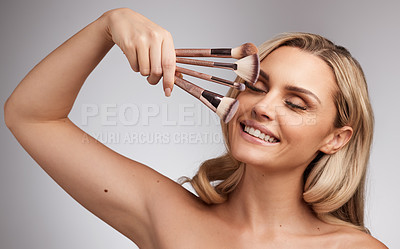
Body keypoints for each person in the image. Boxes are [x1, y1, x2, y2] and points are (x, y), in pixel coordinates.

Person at [4, 8, 387, 248]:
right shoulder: (167, 215)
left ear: (336, 139)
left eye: (295, 103)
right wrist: (110, 23)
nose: (263, 107)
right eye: (257, 86)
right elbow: (32, 116)